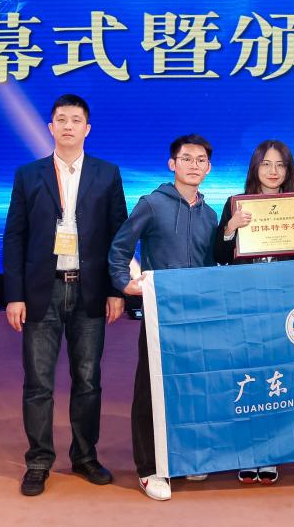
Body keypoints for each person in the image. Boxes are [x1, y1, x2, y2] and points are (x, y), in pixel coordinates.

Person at [2, 94, 128, 497]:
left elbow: (119, 237)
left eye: (76, 120)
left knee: (88, 380)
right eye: (61, 119)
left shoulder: (107, 174)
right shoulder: (29, 175)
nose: (68, 126)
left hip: (90, 290)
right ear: (51, 127)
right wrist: (15, 295)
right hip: (43, 289)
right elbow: (15, 236)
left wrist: (116, 289)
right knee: (38, 382)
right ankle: (39, 461)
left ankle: (85, 456)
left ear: (87, 129)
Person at [108, 135, 219, 501]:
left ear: (208, 167)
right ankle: (148, 468)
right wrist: (124, 282)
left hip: (197, 315)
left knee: (189, 386)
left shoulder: (210, 214)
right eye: (186, 158)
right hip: (161, 312)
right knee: (151, 388)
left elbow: (211, 262)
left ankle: (183, 458)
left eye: (200, 160)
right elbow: (120, 246)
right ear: (173, 164)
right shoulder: (152, 204)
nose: (193, 165)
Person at [215, 139, 294, 485]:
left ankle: (272, 452)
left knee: (278, 378)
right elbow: (218, 255)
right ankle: (248, 451)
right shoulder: (235, 204)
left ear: (288, 170)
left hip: (285, 305)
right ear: (255, 168)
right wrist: (230, 228)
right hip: (245, 304)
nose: (273, 171)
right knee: (248, 377)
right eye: (266, 164)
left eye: (280, 165)